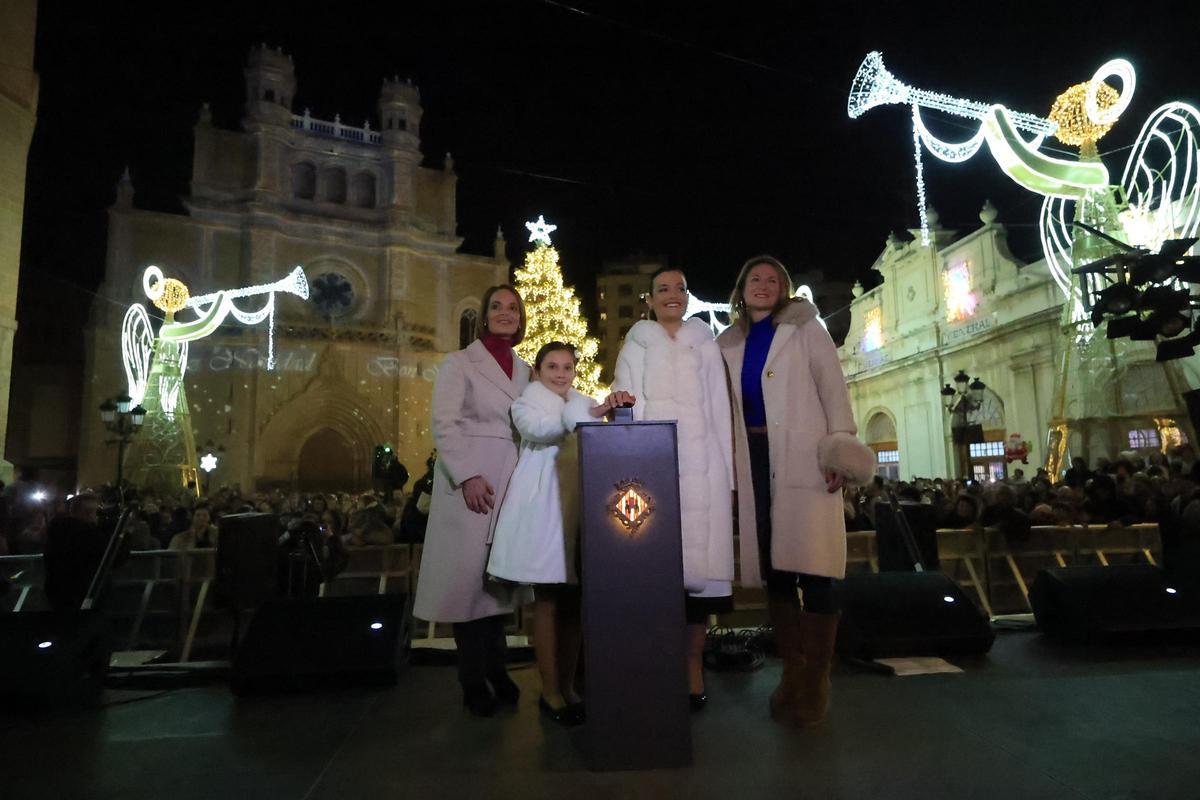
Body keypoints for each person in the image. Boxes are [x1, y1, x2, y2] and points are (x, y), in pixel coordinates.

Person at [716, 255, 874, 728]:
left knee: (818, 570)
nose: (762, 285)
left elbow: (833, 388)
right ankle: (793, 674)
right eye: (754, 279)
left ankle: (818, 680)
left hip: (805, 456)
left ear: (784, 289)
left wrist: (839, 449)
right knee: (776, 570)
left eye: (772, 279)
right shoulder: (727, 343)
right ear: (740, 290)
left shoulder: (808, 327)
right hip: (755, 459)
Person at [612, 266, 733, 711]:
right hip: (654, 471)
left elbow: (720, 408)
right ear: (648, 298)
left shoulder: (705, 342)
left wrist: (727, 476)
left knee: (700, 583)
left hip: (704, 470)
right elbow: (623, 397)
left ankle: (692, 665)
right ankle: (654, 665)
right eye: (663, 289)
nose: (673, 295)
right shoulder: (637, 341)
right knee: (654, 574)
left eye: (680, 288)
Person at [412, 284, 533, 717]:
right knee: (467, 588)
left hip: (510, 480)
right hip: (472, 483)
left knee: (498, 585)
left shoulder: (525, 370)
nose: (505, 313)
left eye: (512, 308)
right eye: (496, 307)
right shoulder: (459, 363)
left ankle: (497, 669)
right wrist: (467, 476)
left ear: (520, 318)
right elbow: (444, 423)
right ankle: (471, 678)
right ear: (484, 316)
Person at [488, 342, 616, 724]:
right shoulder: (527, 404)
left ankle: (568, 684)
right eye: (552, 367)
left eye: (567, 367)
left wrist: (594, 414)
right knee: (547, 601)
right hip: (545, 511)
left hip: (580, 508)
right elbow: (540, 430)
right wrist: (580, 416)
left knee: (575, 601)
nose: (561, 374)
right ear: (538, 371)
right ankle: (549, 690)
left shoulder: (582, 403)